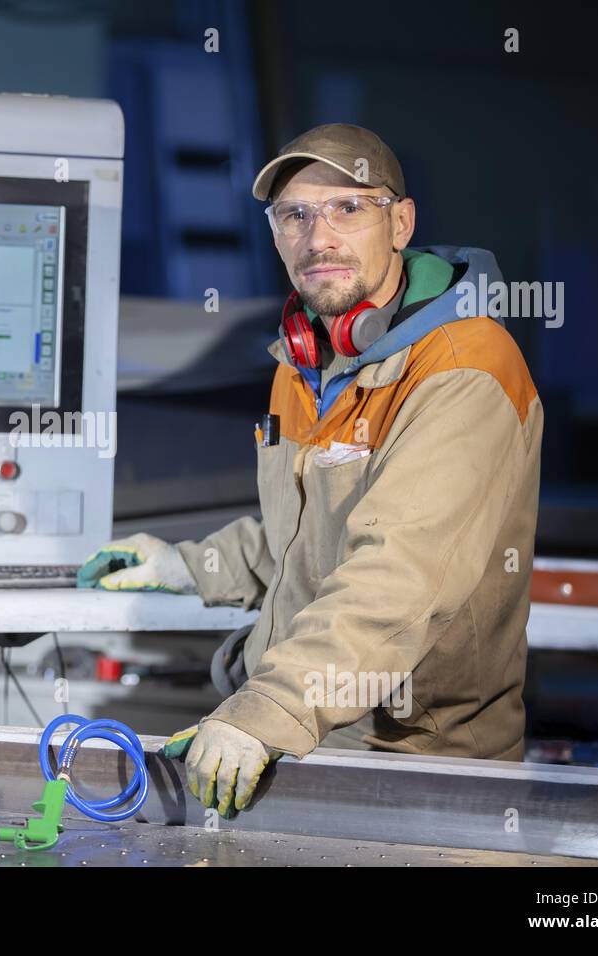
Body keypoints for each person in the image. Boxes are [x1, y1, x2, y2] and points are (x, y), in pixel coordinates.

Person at [78, 124, 544, 817]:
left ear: (401, 222)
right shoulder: (307, 364)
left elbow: (399, 574)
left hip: (417, 766)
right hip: (313, 741)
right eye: (293, 215)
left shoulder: (462, 366)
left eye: (347, 209)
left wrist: (266, 709)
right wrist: (189, 565)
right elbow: (306, 540)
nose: (317, 237)